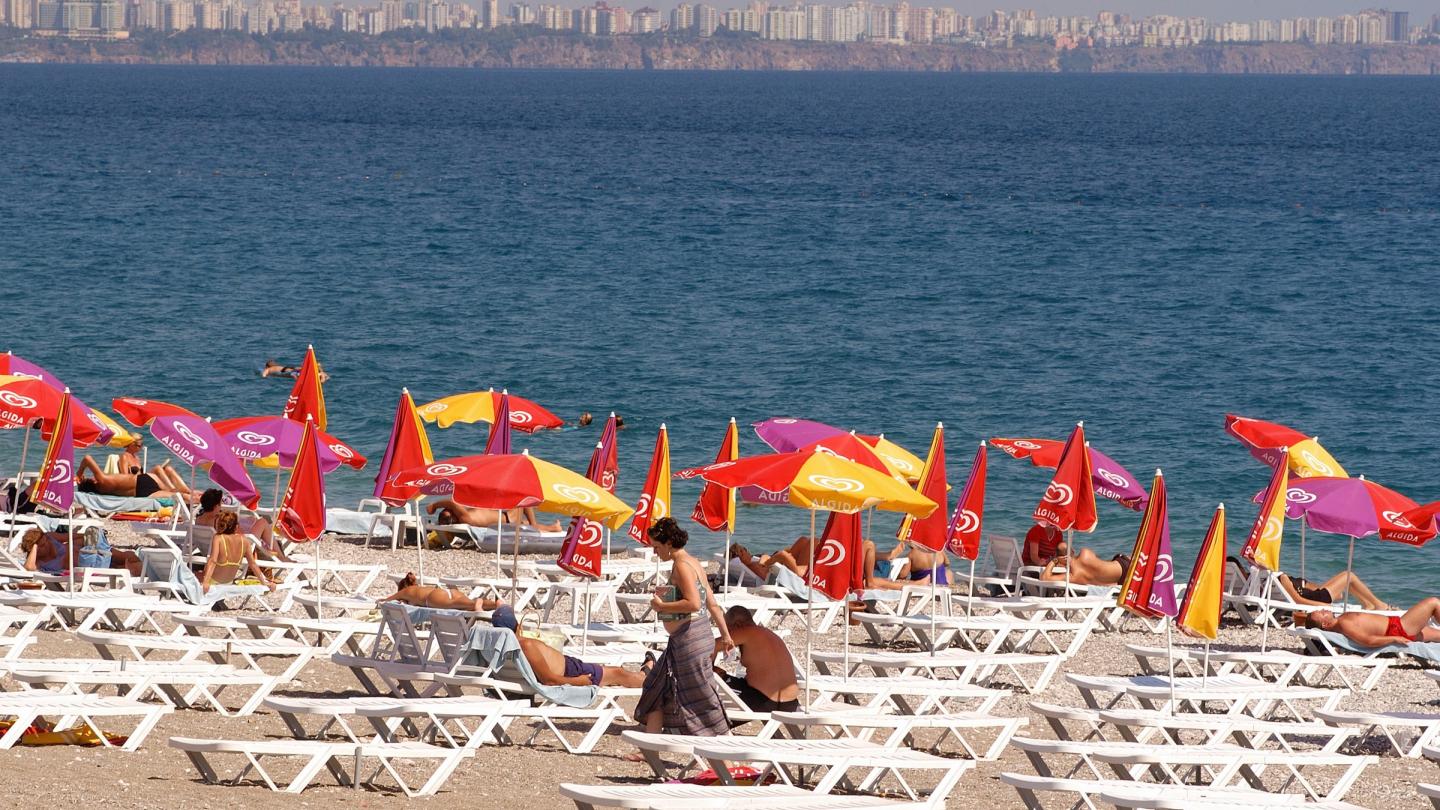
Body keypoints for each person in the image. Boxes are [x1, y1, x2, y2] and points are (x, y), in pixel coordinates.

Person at [630, 518, 733, 745]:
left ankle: (724, 742)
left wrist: (661, 606)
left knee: (700, 693)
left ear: (668, 543)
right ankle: (650, 747)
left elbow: (695, 603)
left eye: (656, 546)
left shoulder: (682, 565)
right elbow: (712, 603)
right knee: (657, 686)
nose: (655, 552)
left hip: (690, 639)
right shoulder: (692, 562)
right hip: (690, 637)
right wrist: (725, 635)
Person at [489, 605, 645, 687]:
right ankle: (651, 682)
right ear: (518, 626)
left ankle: (647, 673)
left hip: (570, 668)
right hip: (571, 672)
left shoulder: (496, 647)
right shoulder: (526, 645)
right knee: (618, 673)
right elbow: (549, 681)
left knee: (610, 671)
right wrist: (580, 681)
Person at [718, 606, 799, 712]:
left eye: (728, 630)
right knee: (723, 678)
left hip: (764, 701)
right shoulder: (769, 634)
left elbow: (710, 647)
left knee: (712, 686)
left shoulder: (746, 632)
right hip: (790, 703)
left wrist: (710, 669)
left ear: (738, 624)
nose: (728, 634)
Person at [1295, 598, 1440, 646]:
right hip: (1398, 629)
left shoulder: (1341, 620)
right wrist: (1395, 638)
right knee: (1433, 603)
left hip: (1396, 626)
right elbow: (1367, 640)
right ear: (1325, 625)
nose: (1323, 610)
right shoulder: (1344, 624)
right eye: (1321, 613)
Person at [193, 488, 287, 561]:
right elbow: (240, 535)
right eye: (220, 504)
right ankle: (281, 557)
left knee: (254, 524)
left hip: (210, 551)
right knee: (262, 522)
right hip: (232, 551)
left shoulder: (198, 519)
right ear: (216, 506)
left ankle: (271, 551)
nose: (221, 507)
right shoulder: (218, 520)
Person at [199, 512, 276, 594]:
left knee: (192, 574)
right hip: (228, 582)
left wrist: (206, 581)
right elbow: (253, 564)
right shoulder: (244, 541)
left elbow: (213, 560)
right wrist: (264, 582)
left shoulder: (218, 538)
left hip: (214, 582)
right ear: (236, 526)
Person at [21, 527, 142, 576]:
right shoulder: (39, 561)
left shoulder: (49, 537)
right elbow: (28, 567)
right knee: (124, 566)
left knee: (125, 557)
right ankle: (142, 570)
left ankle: (144, 566)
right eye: (42, 545)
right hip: (86, 565)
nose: (46, 544)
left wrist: (87, 537)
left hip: (90, 552)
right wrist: (36, 547)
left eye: (45, 541)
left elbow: (70, 536)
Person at [76, 455, 195, 502]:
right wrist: (79, 474)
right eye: (91, 478)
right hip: (144, 480)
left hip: (142, 493)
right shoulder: (102, 480)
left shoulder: (103, 489)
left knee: (178, 495)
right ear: (93, 481)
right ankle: (199, 496)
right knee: (177, 493)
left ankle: (199, 500)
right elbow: (87, 458)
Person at [381, 572, 501, 612]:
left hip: (433, 598)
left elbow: (388, 600)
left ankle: (478, 602)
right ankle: (497, 605)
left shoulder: (406, 591)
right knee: (466, 602)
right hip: (448, 591)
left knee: (467, 605)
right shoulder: (420, 588)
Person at [857, 538, 949, 590]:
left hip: (859, 576)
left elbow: (903, 574)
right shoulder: (938, 551)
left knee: (880, 580)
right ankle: (916, 584)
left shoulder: (912, 554)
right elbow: (947, 563)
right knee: (881, 581)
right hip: (943, 583)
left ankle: (889, 555)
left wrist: (901, 576)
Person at [1277, 569, 1392, 610]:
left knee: (1347, 582)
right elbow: (1297, 601)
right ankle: (1379, 604)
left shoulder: (1296, 581)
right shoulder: (1284, 578)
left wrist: (1335, 588)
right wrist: (1322, 606)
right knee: (1349, 575)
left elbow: (1337, 595)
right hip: (1316, 599)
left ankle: (1368, 604)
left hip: (1316, 595)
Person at [425, 498, 562, 533]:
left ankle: (554, 528)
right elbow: (450, 502)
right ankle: (535, 527)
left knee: (524, 525)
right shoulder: (464, 517)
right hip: (508, 518)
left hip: (505, 520)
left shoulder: (463, 519)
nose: (453, 509)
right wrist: (434, 506)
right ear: (453, 516)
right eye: (450, 510)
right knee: (525, 500)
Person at [1039, 547, 1127, 586]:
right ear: (1072, 551)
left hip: (1122, 577)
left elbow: (1044, 578)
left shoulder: (1074, 576)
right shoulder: (1084, 553)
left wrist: (1054, 560)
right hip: (1123, 563)